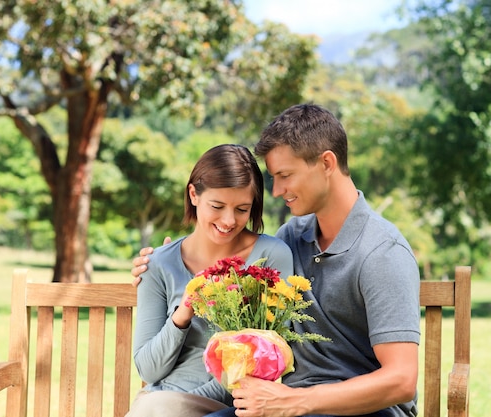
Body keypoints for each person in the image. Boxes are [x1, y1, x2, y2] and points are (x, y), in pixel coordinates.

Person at [132, 104, 421, 417]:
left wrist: (297, 401)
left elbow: (401, 381)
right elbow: (233, 249)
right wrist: (165, 259)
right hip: (286, 405)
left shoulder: (382, 252)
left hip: (360, 411)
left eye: (285, 175)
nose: (277, 190)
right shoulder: (293, 237)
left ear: (326, 163)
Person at [126, 144, 294, 417]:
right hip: (158, 403)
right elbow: (148, 370)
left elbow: (268, 357)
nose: (229, 220)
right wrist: (183, 313)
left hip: (230, 405)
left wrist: (181, 403)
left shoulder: (270, 258)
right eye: (217, 206)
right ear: (193, 194)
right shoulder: (158, 264)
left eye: (242, 209)